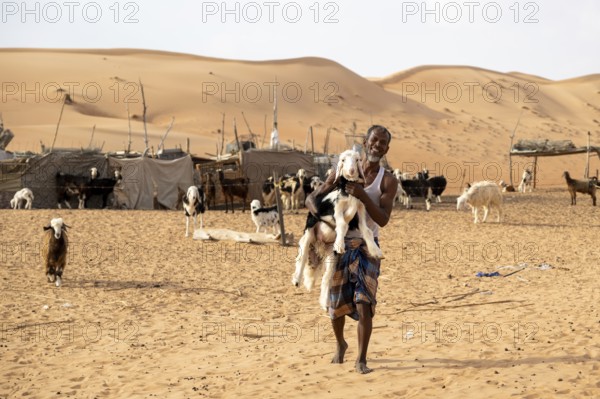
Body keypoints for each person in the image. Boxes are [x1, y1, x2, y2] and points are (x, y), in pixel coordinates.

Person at [306, 125, 398, 374]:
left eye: (383, 143)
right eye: (374, 140)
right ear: (365, 143)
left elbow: (383, 219)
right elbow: (311, 199)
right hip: (340, 245)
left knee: (363, 302)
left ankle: (361, 359)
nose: (377, 145)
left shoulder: (387, 180)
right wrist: (318, 218)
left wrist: (362, 195)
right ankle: (340, 344)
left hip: (368, 247)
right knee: (335, 306)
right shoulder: (343, 170)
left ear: (387, 149)